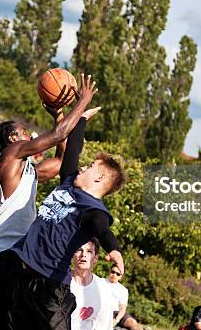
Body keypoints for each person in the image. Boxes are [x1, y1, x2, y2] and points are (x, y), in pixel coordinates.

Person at [0, 74, 98, 329]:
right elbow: (58, 134)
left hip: (13, 255)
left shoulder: (29, 170)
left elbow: (61, 160)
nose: (29, 133)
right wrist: (81, 104)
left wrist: (58, 113)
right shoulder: (9, 155)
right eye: (23, 132)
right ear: (12, 139)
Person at [10, 105, 126, 329]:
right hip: (22, 272)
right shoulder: (68, 183)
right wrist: (81, 119)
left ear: (100, 177)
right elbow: (73, 148)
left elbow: (102, 228)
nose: (83, 167)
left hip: (51, 286)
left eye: (91, 167)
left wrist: (114, 249)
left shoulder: (93, 210)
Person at [70, 239, 115, 330]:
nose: (84, 255)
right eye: (79, 250)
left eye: (89, 251)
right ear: (72, 255)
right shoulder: (62, 283)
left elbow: (105, 325)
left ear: (95, 258)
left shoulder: (103, 288)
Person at [107, 264, 141, 330]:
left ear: (120, 277)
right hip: (103, 311)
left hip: (116, 313)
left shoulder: (123, 290)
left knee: (133, 323)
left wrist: (116, 320)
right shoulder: (100, 282)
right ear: (109, 271)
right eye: (113, 272)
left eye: (118, 274)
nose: (114, 275)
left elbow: (122, 308)